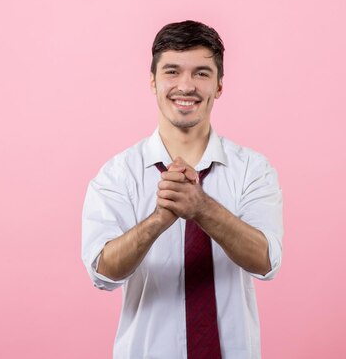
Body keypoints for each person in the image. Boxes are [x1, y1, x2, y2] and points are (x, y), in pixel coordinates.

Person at [81, 20, 283, 359]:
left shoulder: (254, 170)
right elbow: (103, 272)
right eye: (172, 72)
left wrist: (201, 208)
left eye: (202, 73)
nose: (186, 86)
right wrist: (160, 219)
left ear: (219, 85)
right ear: (153, 81)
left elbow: (266, 262)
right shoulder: (117, 175)